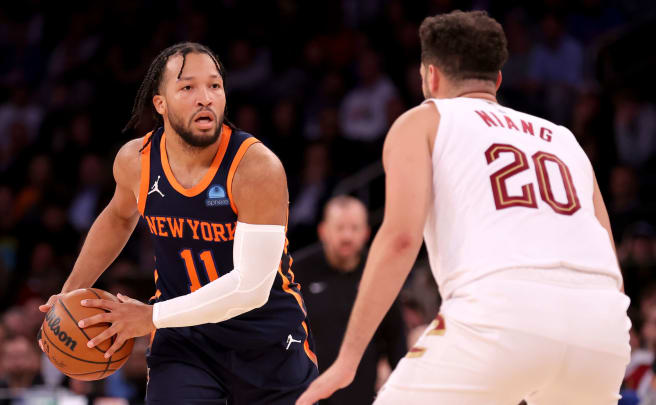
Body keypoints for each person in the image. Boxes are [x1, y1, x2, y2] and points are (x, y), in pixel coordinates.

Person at [297, 10, 630, 405]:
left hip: (503, 312)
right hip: (602, 326)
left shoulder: (423, 121)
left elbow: (402, 238)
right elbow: (608, 252)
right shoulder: (564, 140)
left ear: (430, 76)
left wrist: (347, 360)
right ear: (498, 80)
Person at [38, 42, 317, 404]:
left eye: (214, 86)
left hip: (267, 340)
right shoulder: (136, 160)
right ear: (160, 103)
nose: (206, 97)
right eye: (188, 87)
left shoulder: (256, 168)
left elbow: (252, 287)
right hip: (184, 341)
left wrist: (150, 316)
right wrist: (69, 294)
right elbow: (119, 217)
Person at [296, 195, 406, 405]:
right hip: (307, 392)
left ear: (366, 233)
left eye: (354, 228)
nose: (347, 236)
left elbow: (396, 338)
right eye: (340, 228)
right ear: (323, 231)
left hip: (361, 393)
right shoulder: (298, 271)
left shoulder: (379, 274)